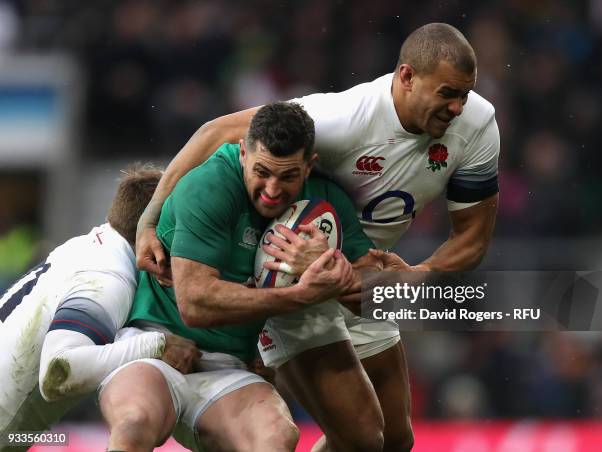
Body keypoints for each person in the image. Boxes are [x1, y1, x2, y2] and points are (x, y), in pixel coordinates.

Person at [136, 22, 500, 451]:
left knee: (397, 440)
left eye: (464, 94)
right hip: (291, 270)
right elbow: (217, 131)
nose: (458, 106)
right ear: (406, 77)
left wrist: (414, 276)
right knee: (364, 439)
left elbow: (472, 240)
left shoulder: (477, 125)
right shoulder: (343, 120)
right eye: (447, 94)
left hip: (362, 279)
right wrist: (148, 219)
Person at [98, 102, 379, 452]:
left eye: (288, 176)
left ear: (310, 166)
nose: (273, 190)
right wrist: (303, 294)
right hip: (155, 344)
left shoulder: (325, 202)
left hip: (228, 366)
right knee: (135, 423)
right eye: (262, 171)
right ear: (243, 153)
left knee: (285, 437)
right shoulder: (209, 184)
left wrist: (336, 268)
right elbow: (195, 304)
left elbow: (381, 291)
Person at [0, 164, 200, 452]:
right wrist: (158, 345)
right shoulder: (108, 277)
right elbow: (59, 371)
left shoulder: (90, 246)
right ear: (157, 231)